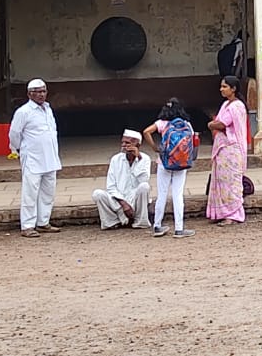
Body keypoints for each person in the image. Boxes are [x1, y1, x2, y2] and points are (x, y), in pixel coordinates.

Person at [8, 78, 62, 237]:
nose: (41, 94)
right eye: (37, 92)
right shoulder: (24, 112)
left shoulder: (48, 109)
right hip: (32, 158)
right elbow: (14, 134)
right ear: (29, 94)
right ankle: (27, 226)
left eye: (43, 91)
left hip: (50, 157)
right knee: (30, 193)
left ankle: (43, 222)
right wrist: (19, 149)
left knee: (48, 192)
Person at [143, 99, 197, 238]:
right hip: (181, 163)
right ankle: (179, 229)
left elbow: (146, 132)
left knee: (162, 194)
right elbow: (192, 140)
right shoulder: (186, 124)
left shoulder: (162, 123)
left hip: (164, 162)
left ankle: (157, 226)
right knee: (177, 195)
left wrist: (155, 148)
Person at [206, 75, 249, 225]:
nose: (221, 89)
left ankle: (233, 214)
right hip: (222, 149)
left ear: (233, 89)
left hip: (231, 149)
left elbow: (221, 124)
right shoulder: (225, 104)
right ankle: (221, 212)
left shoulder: (237, 106)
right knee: (221, 181)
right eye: (221, 86)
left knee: (231, 182)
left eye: (224, 87)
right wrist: (214, 124)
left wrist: (211, 125)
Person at [91, 130, 152, 230]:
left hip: (135, 200)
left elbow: (143, 180)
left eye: (127, 143)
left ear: (137, 145)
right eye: (122, 142)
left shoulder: (145, 159)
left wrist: (138, 159)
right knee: (97, 194)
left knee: (144, 187)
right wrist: (123, 204)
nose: (123, 145)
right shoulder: (115, 159)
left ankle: (140, 221)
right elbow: (111, 186)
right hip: (118, 200)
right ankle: (112, 222)